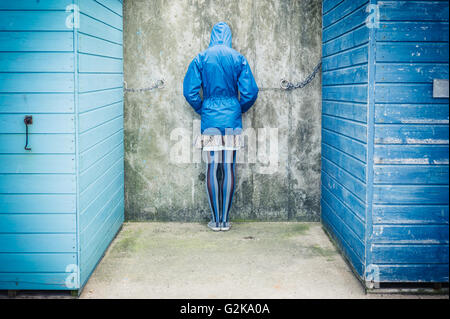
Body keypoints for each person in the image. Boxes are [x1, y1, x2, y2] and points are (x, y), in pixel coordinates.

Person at [183, 22, 258, 231]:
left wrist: (203, 108)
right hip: (232, 118)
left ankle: (214, 221)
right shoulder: (238, 58)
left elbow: (189, 92)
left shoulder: (201, 58)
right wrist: (237, 107)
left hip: (210, 119)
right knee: (229, 167)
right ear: (228, 37)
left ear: (212, 37)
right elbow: (251, 92)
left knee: (212, 166)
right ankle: (225, 221)